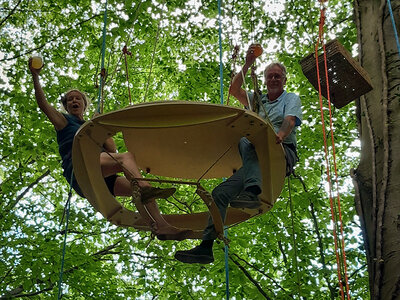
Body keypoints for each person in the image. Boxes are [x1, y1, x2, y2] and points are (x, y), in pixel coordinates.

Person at [29, 58, 192, 241]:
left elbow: (112, 150)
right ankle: (145, 188)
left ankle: (162, 227)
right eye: (70, 99)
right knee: (128, 161)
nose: (74, 101)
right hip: (81, 169)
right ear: (66, 105)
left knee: (134, 187)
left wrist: (100, 126)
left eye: (78, 98)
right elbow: (43, 105)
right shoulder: (64, 122)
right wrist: (35, 77)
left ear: (84, 104)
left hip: (100, 175)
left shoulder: (89, 125)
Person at [174, 44, 302, 263]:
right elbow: (234, 90)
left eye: (278, 76)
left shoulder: (290, 98)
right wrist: (248, 63)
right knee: (219, 194)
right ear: (264, 80)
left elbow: (290, 120)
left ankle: (252, 191)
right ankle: (206, 247)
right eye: (270, 76)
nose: (273, 79)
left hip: (280, 154)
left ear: (284, 80)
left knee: (246, 139)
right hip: (257, 162)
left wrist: (280, 135)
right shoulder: (257, 101)